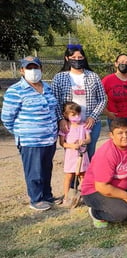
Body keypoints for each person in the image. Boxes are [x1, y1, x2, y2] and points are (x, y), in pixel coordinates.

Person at [1, 56, 60, 211]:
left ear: (41, 69)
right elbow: (7, 118)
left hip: (49, 138)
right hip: (30, 140)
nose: (33, 71)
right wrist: (23, 131)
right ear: (22, 70)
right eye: (29, 68)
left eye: (36, 67)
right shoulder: (15, 91)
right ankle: (36, 199)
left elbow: (54, 109)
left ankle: (47, 196)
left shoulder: (47, 88)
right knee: (34, 171)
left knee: (46, 169)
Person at [51, 44, 106, 160]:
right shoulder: (59, 78)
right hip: (69, 125)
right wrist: (60, 119)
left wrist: (93, 117)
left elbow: (102, 99)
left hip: (90, 124)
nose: (77, 60)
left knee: (89, 154)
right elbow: (54, 101)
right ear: (67, 58)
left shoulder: (93, 76)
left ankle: (89, 178)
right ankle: (73, 178)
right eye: (74, 58)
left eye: (80, 58)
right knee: (73, 155)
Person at [59, 102, 91, 206]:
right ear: (66, 115)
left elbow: (88, 139)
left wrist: (83, 141)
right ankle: (66, 197)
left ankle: (84, 196)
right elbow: (62, 143)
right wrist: (72, 146)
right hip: (71, 155)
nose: (77, 117)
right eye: (73, 115)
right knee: (69, 176)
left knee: (83, 175)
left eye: (78, 114)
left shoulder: (83, 126)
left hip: (82, 154)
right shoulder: (65, 127)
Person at [102, 53, 127, 132]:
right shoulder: (107, 80)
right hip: (115, 119)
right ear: (116, 64)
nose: (124, 64)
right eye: (122, 62)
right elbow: (98, 98)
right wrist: (107, 113)